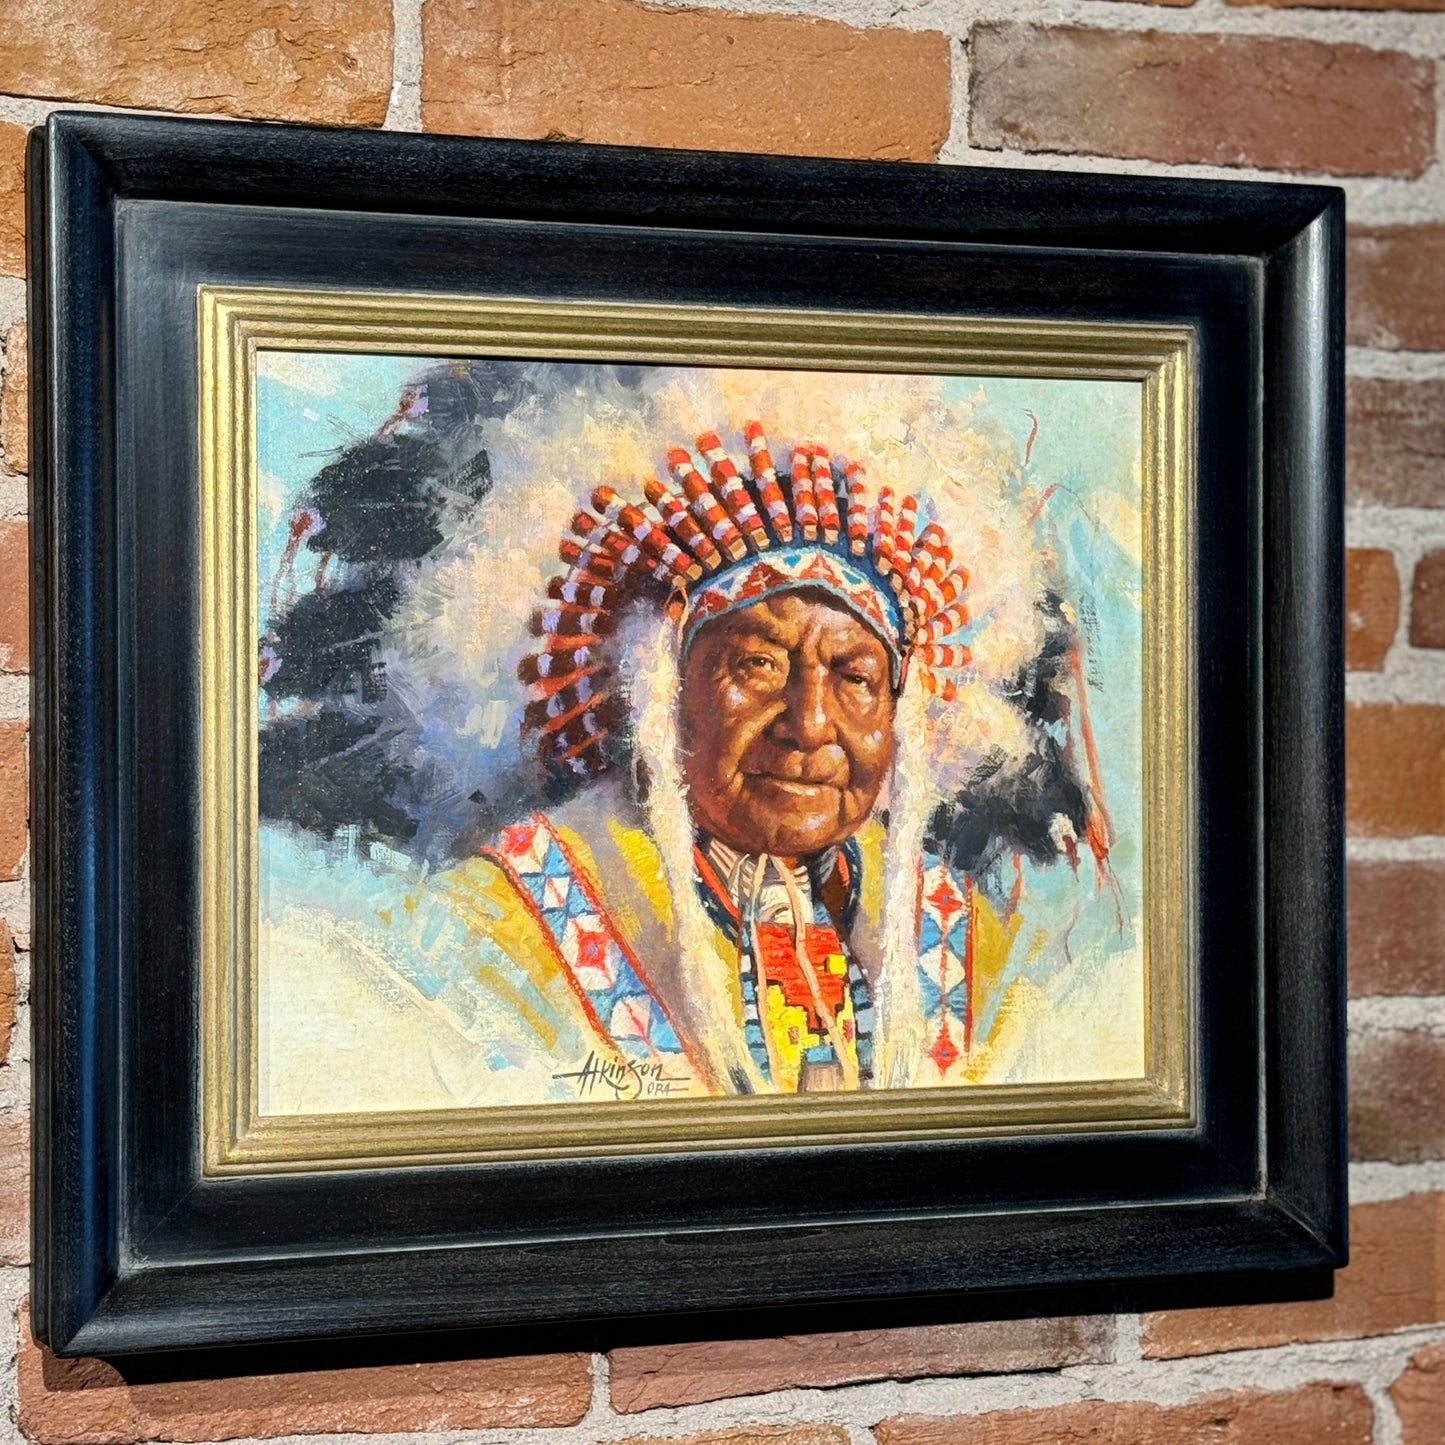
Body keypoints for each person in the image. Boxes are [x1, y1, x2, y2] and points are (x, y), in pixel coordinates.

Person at [453, 422, 1016, 1098]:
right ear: (664, 692)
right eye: (758, 664)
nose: (808, 726)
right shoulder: (504, 920)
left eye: (854, 677)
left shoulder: (965, 937)